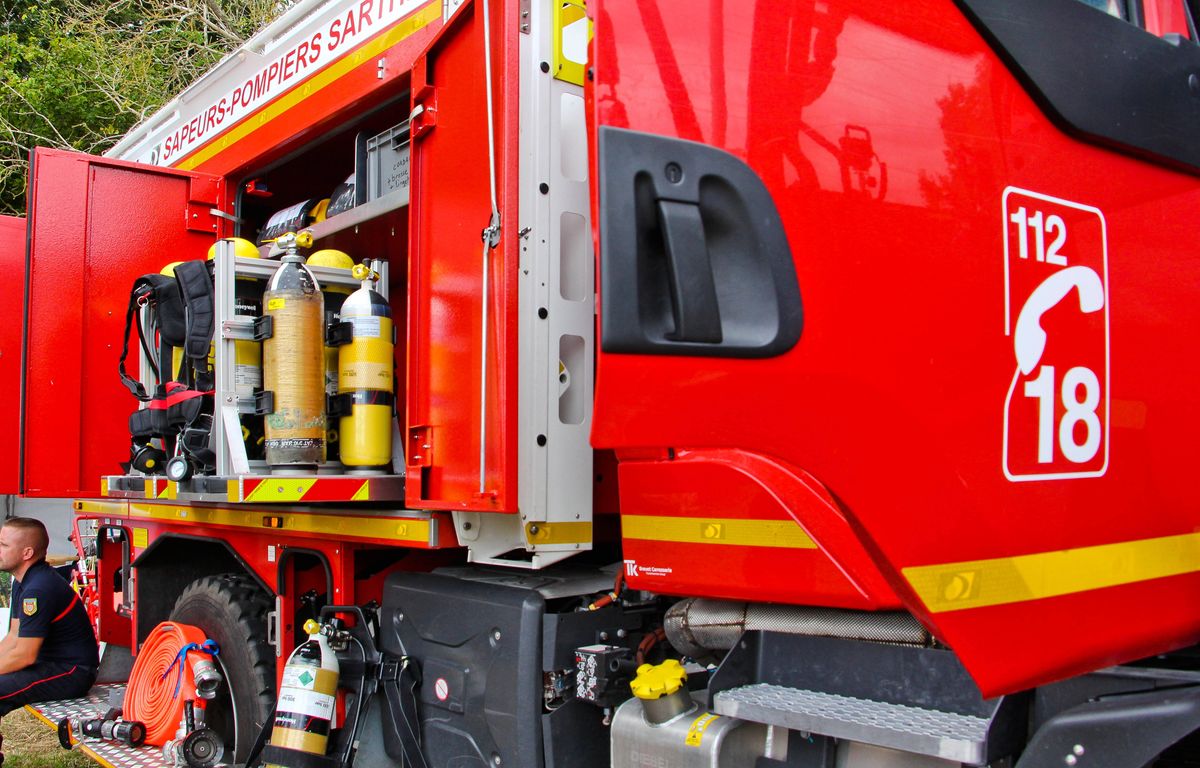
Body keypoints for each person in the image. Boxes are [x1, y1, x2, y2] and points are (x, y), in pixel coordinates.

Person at [0, 517, 98, 761]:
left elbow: (24, 654)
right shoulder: (24, 582)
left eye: (3, 545)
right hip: (49, 665)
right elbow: (13, 638)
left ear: (27, 552)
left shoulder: (38, 588)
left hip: (72, 672)